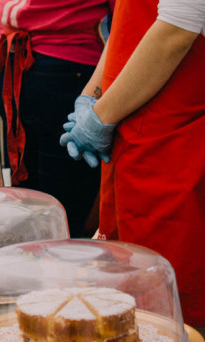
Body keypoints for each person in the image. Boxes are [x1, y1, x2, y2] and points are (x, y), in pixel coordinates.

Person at [60, 0, 205, 327]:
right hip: (129, 132)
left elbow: (175, 31)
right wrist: (92, 96)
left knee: (168, 310)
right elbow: (127, 29)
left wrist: (100, 116)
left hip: (177, 145)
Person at [0, 0, 115, 237]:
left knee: (30, 203)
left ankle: (30, 265)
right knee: (58, 215)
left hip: (15, 55)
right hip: (61, 58)